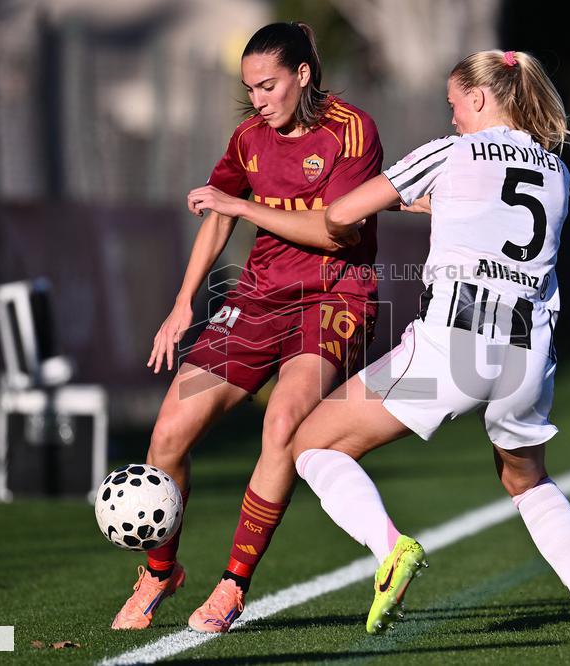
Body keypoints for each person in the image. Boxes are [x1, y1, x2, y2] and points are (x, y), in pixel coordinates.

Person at [284, 49, 570, 635]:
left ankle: (390, 548)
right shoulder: (555, 170)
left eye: (454, 105)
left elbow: (342, 214)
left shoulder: (453, 152)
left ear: (480, 99)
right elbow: (488, 216)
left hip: (453, 347)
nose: (452, 119)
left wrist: (376, 202)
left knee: (313, 444)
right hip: (527, 352)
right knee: (527, 480)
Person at [111, 22, 382, 632]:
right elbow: (217, 210)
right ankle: (160, 571)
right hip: (257, 303)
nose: (258, 100)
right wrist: (183, 303)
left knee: (282, 424)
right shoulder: (249, 139)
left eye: (268, 86)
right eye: (250, 89)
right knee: (168, 436)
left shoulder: (352, 130)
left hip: (332, 301)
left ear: (303, 75)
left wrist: (241, 207)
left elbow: (339, 231)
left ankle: (233, 584)